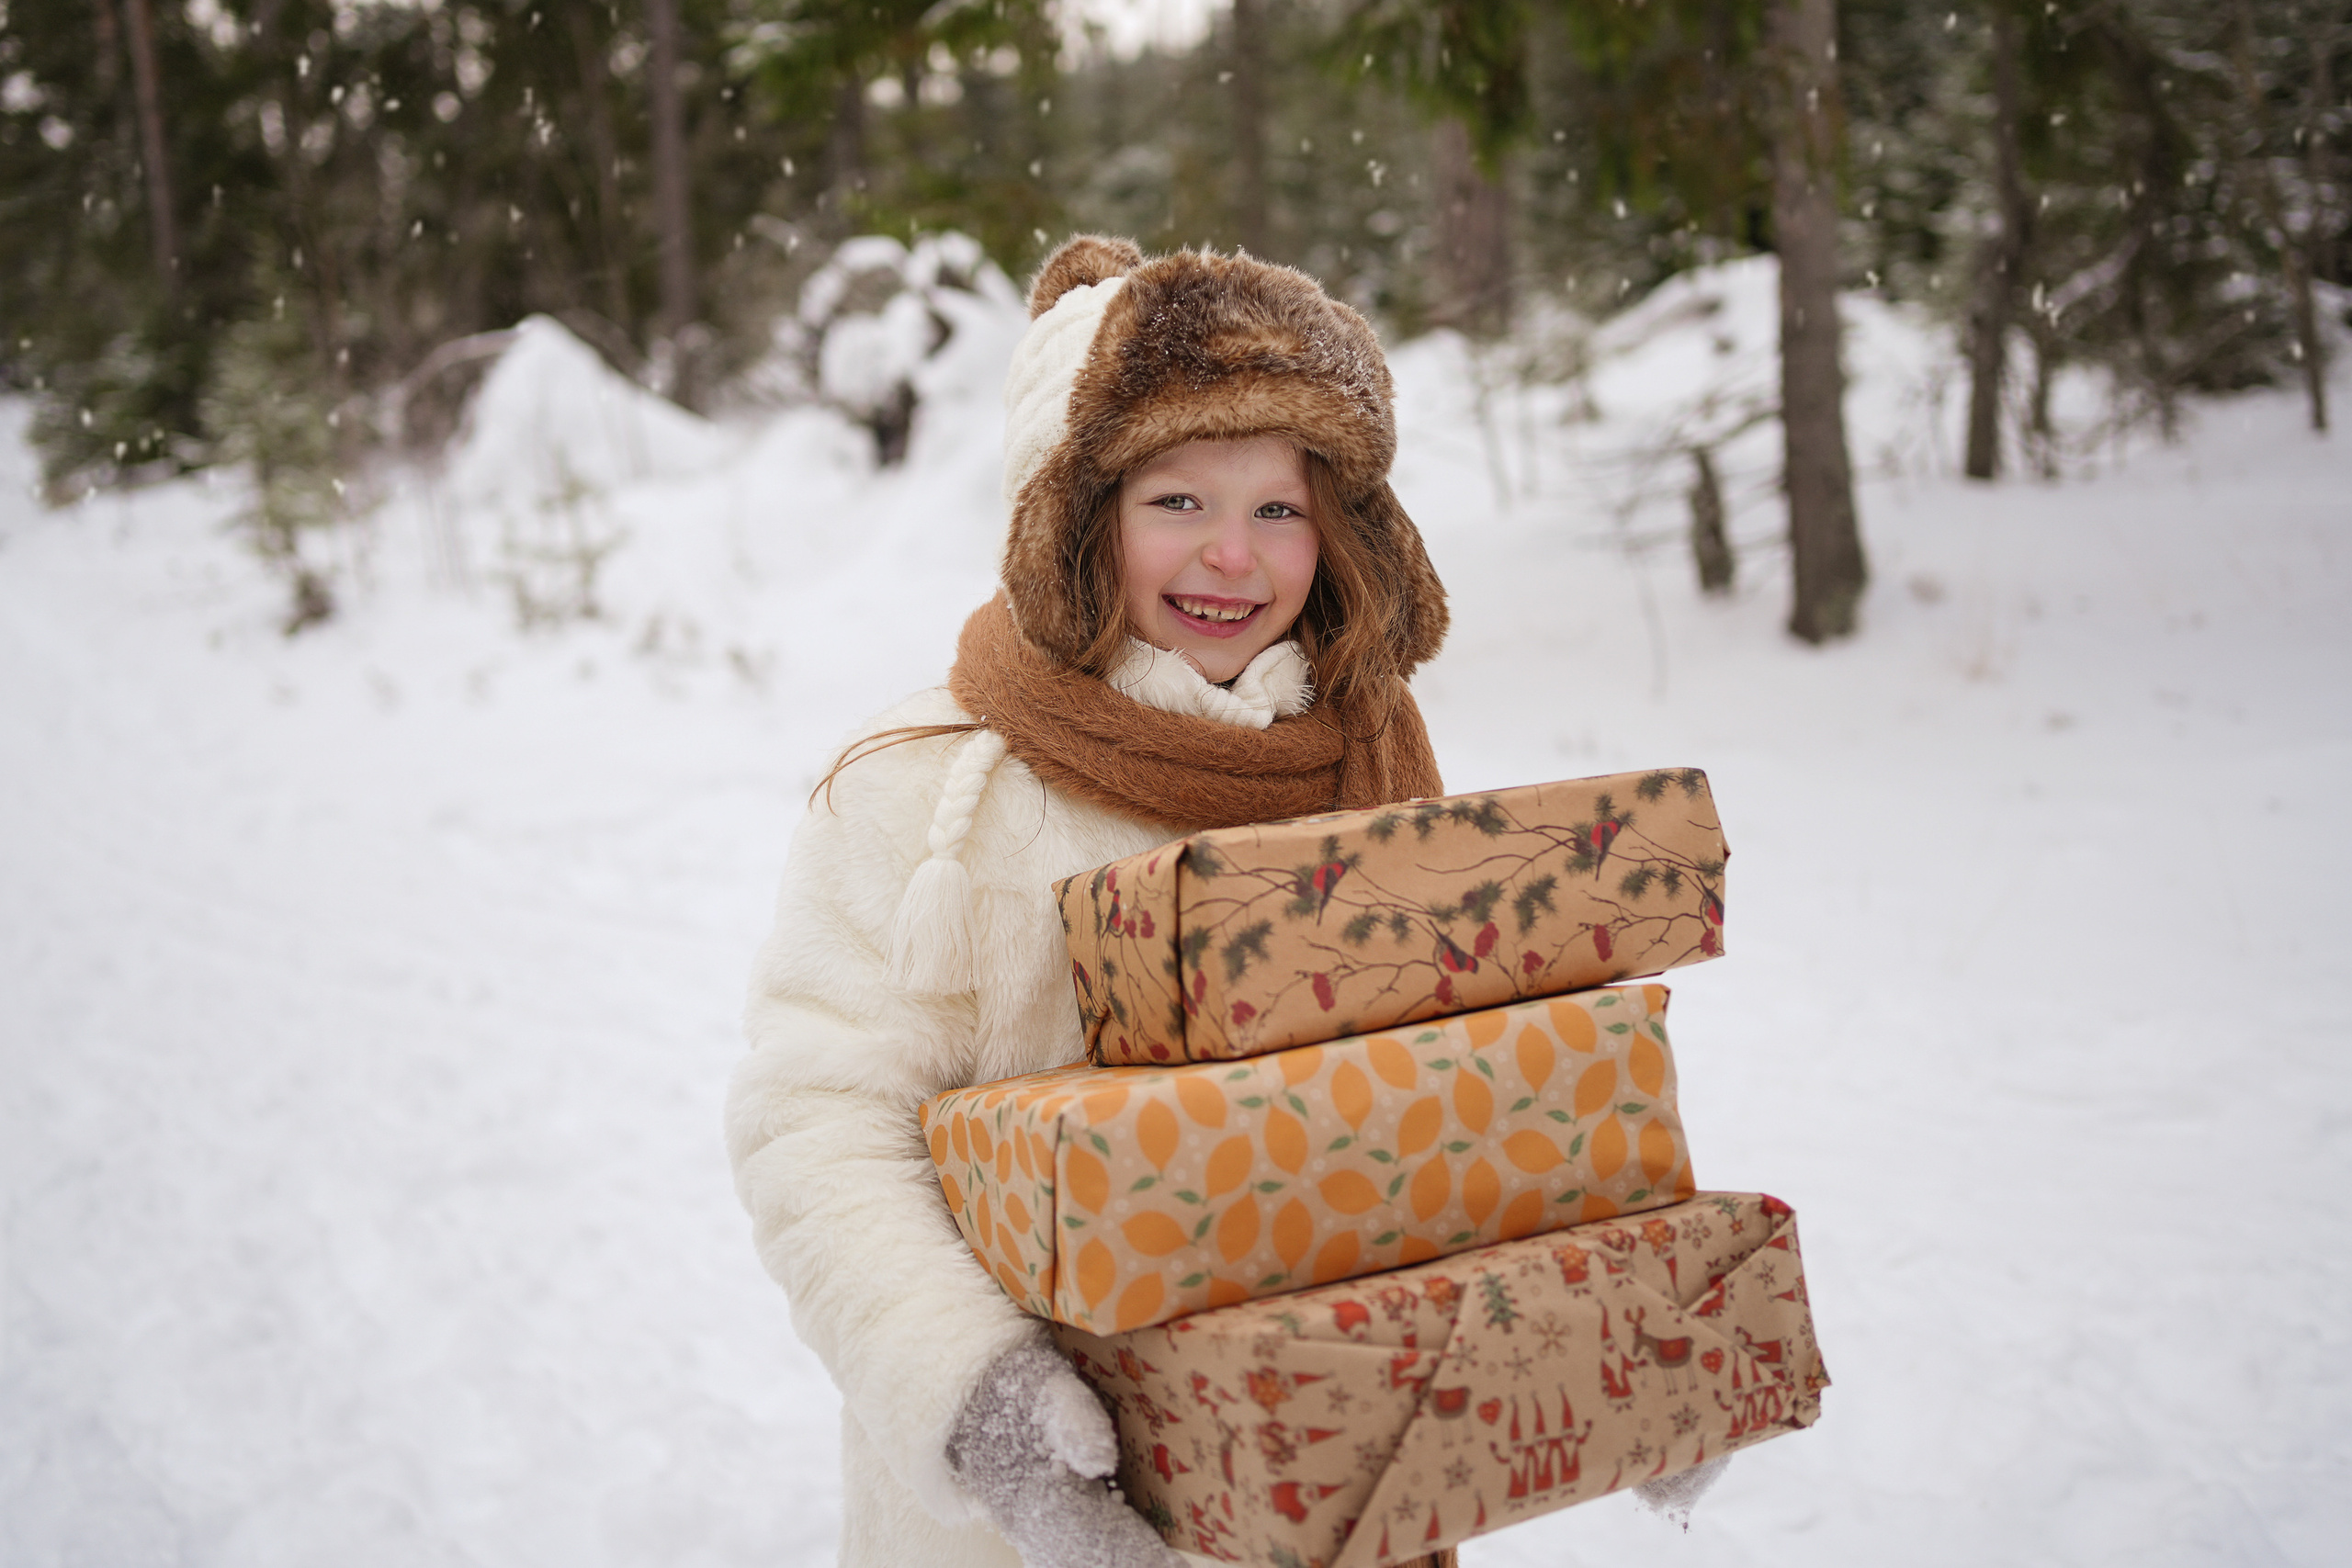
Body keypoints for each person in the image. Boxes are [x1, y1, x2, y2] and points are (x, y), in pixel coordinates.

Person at [724, 234, 1453, 1568]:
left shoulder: (1368, 769)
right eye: (1177, 500)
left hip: (1346, 1478)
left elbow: (1474, 1091)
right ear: (1072, 515)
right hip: (1032, 1523)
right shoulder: (923, 794)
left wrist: (1595, 1337)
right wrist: (984, 1409)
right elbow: (816, 1124)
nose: (1233, 557)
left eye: (1279, 508)